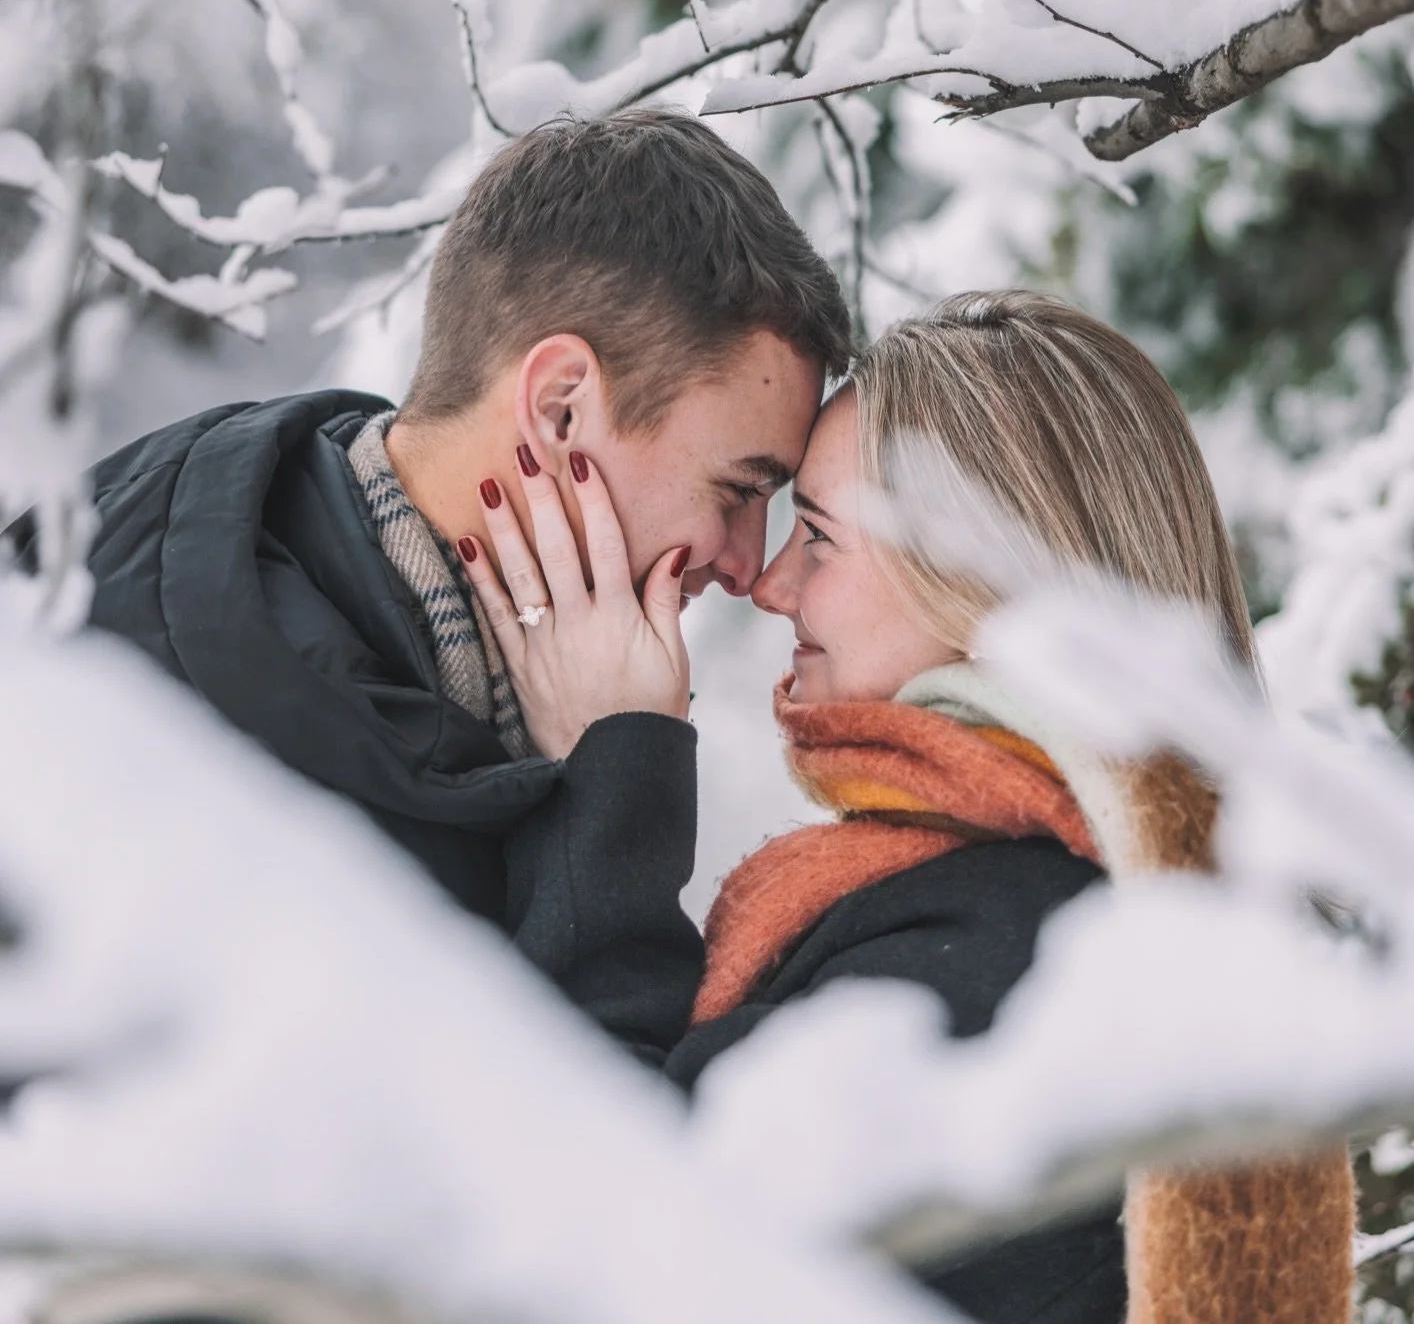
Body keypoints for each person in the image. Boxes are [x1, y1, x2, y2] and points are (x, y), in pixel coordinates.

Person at [462, 290, 1355, 1323]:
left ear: (981, 581)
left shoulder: (1010, 946)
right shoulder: (1067, 893)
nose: (769, 582)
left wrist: (610, 773)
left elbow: (626, 1234)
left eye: (822, 538)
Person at [8, 109, 853, 1061]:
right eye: (739, 490)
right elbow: (587, 1170)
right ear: (560, 405)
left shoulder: (347, 600)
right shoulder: (181, 731)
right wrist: (620, 781)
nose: (746, 565)